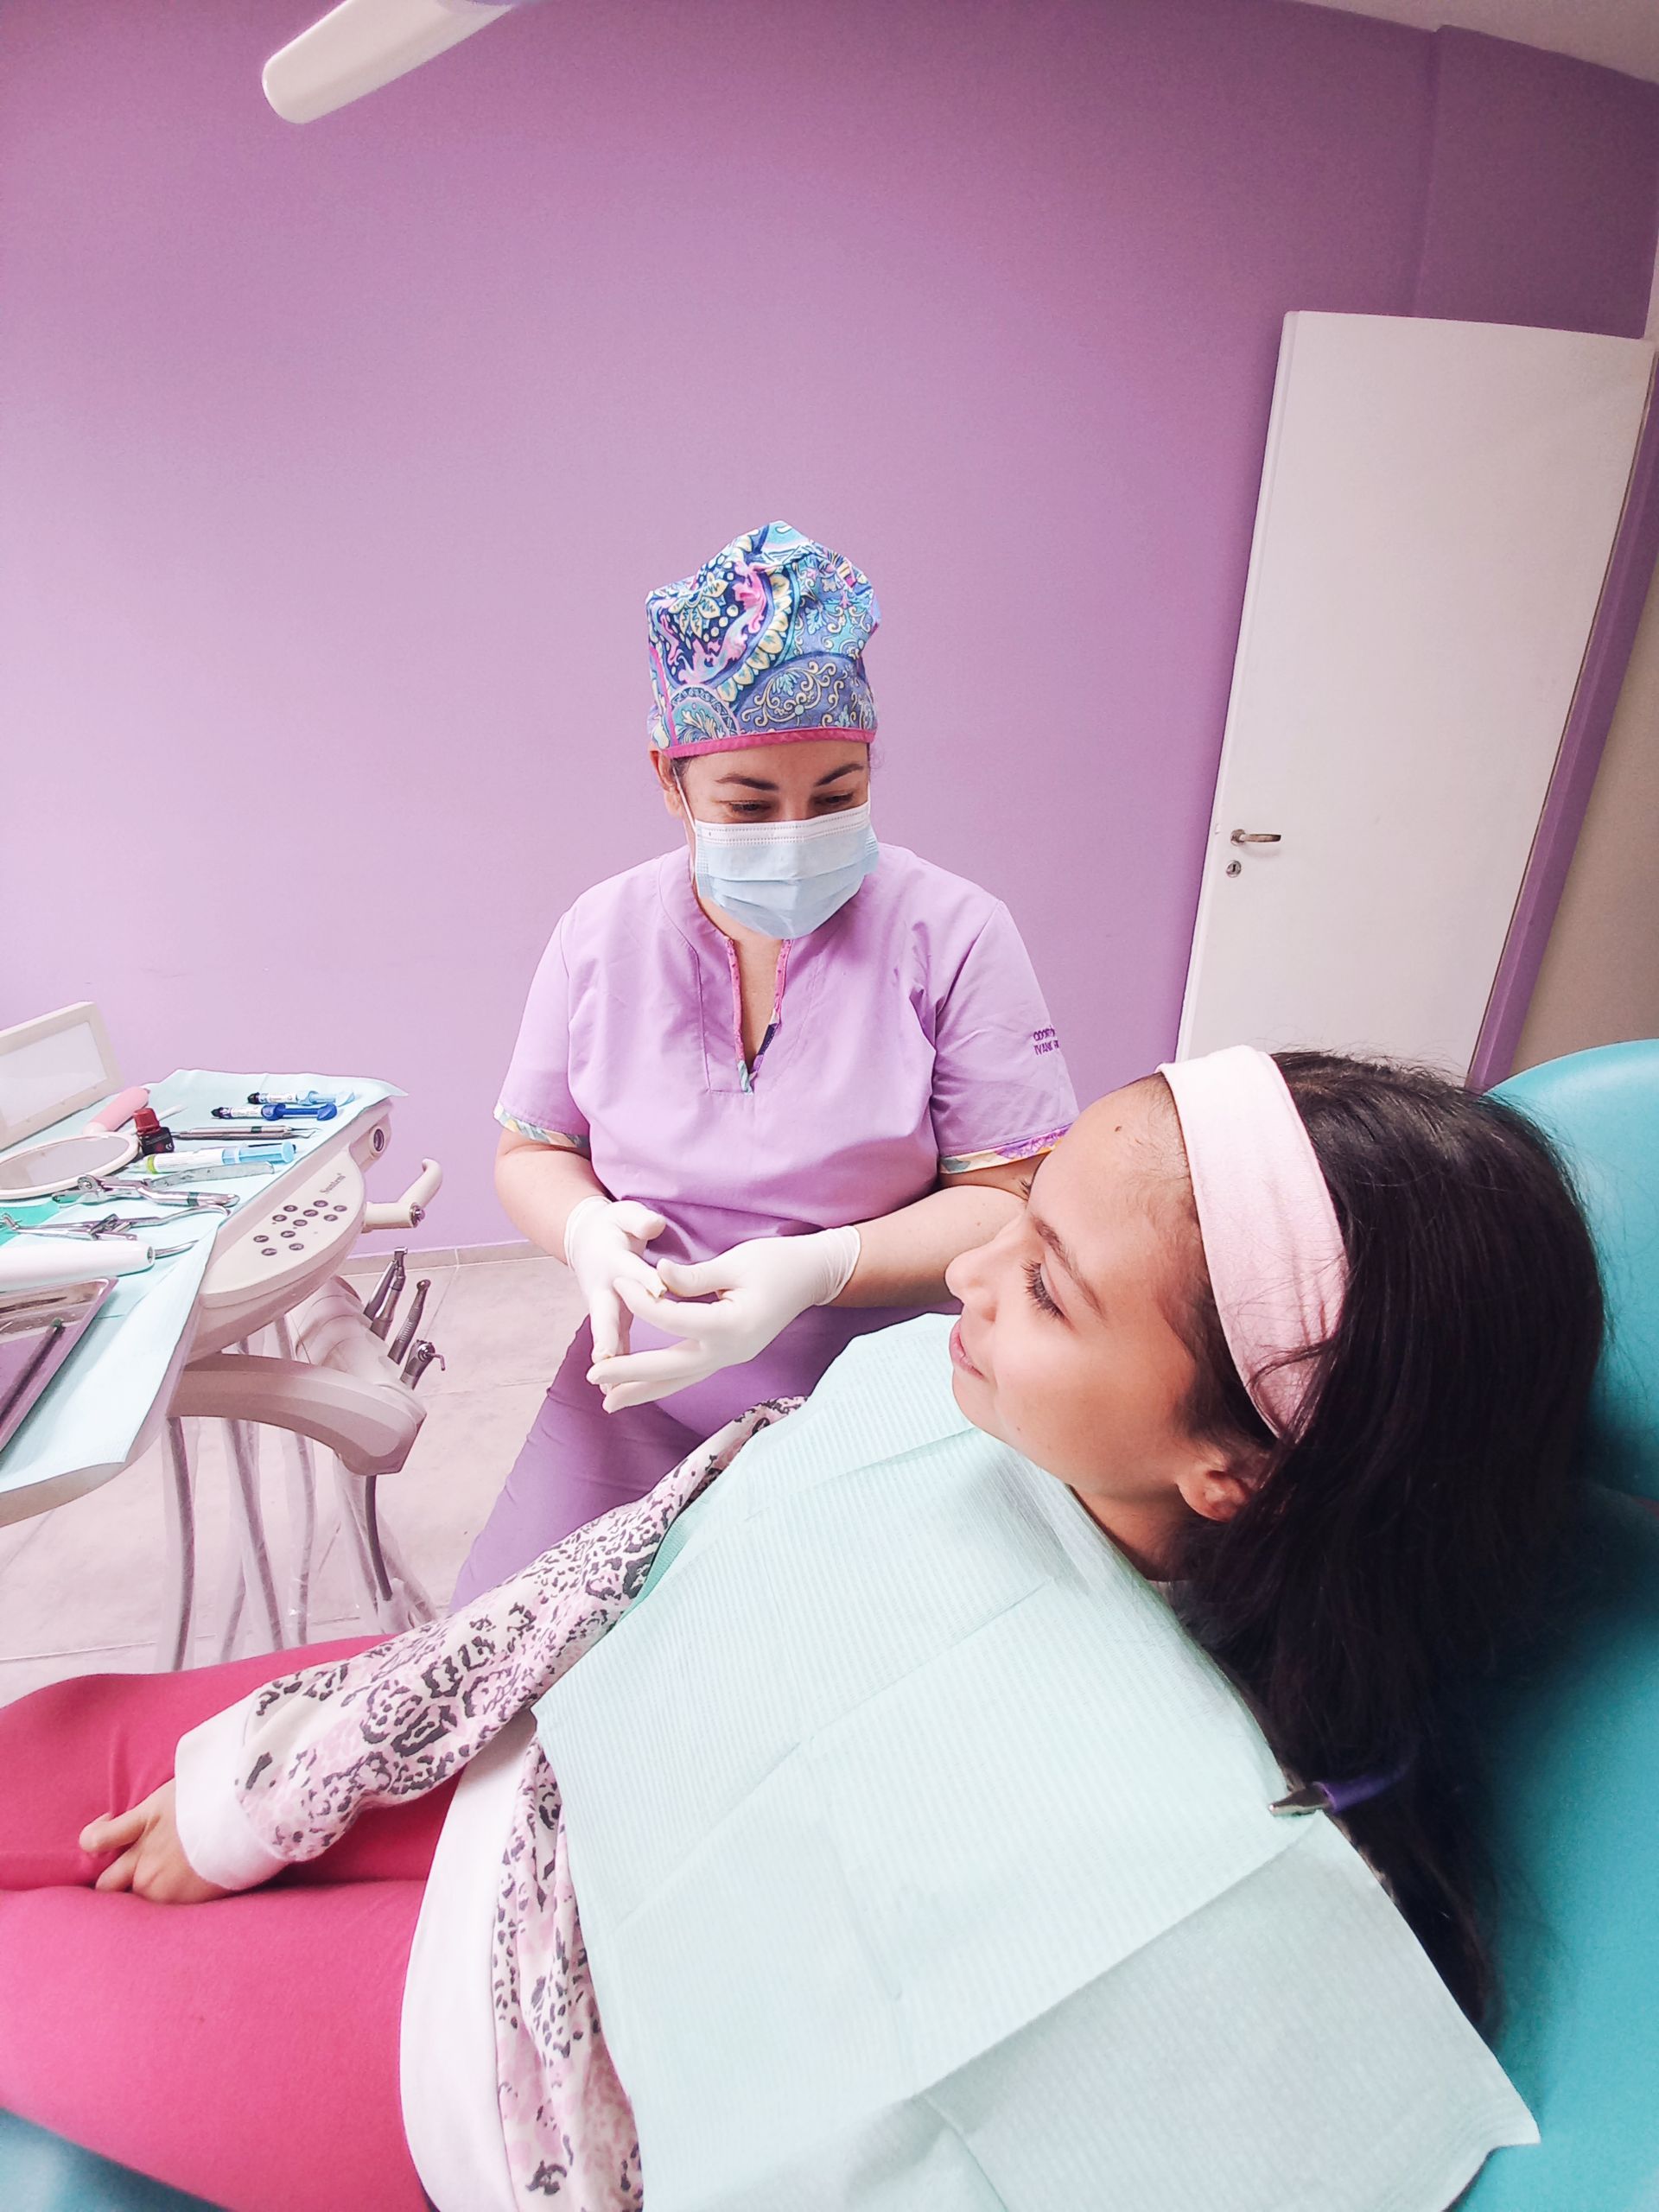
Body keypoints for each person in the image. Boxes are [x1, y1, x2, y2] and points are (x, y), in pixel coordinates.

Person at [0, 1046, 1604, 2212]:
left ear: (1234, 1468)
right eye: (1021, 1216)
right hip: (516, 1747)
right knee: (54, 1752)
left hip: (517, 2064)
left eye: (1051, 1287)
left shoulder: (1198, 1887)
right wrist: (285, 1780)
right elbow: (608, 1577)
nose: (969, 1270)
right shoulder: (934, 1407)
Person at [453, 520, 1077, 1601]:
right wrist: (584, 1228)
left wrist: (819, 1270)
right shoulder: (598, 934)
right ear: (670, 779)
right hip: (641, 1387)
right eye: (749, 804)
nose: (795, 834)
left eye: (836, 797)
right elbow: (533, 1150)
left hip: (885, 1386)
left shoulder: (956, 933)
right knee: (524, 1643)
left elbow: (1008, 1195)